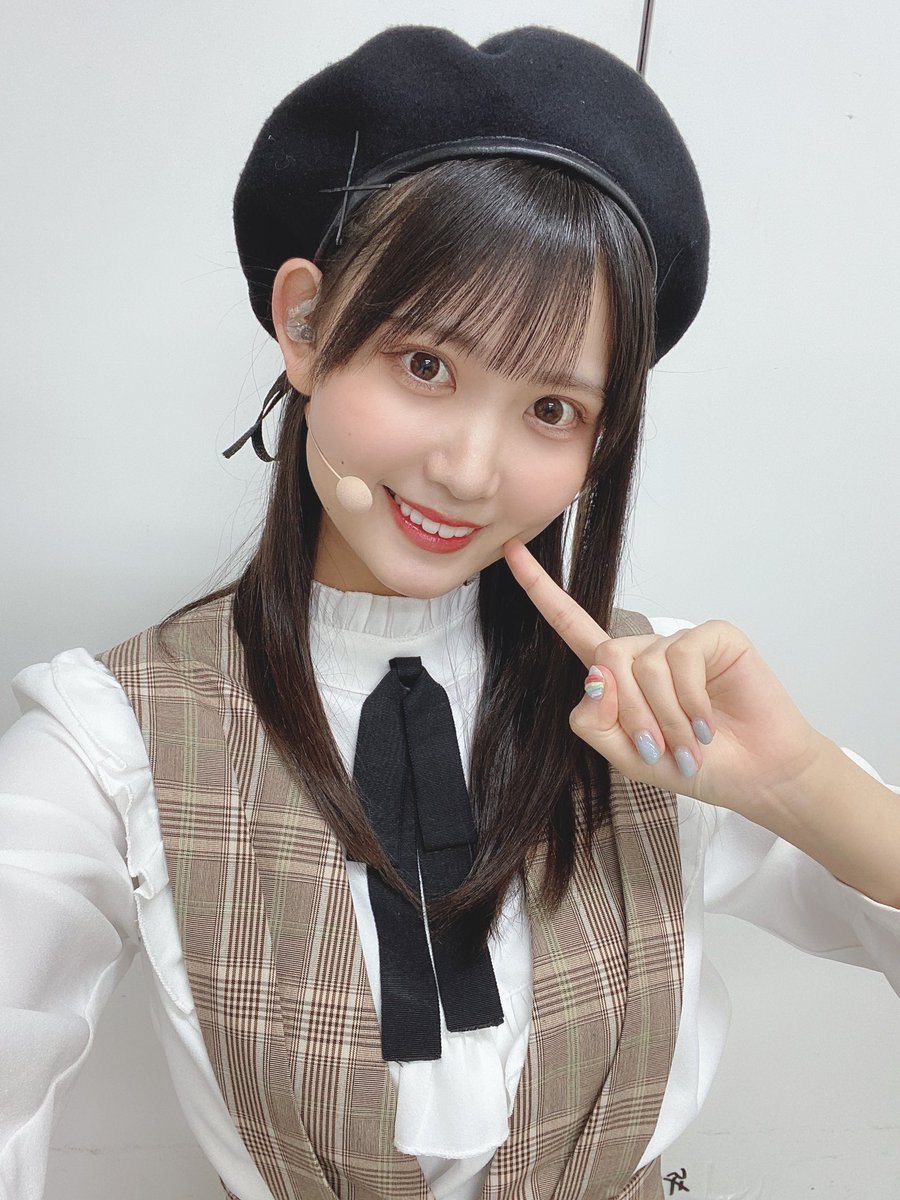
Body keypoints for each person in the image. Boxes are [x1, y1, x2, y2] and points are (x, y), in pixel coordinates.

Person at [1, 23, 898, 1200]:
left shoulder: (662, 700)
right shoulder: (112, 739)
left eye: (551, 410)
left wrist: (797, 787)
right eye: (427, 364)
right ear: (307, 325)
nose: (470, 471)